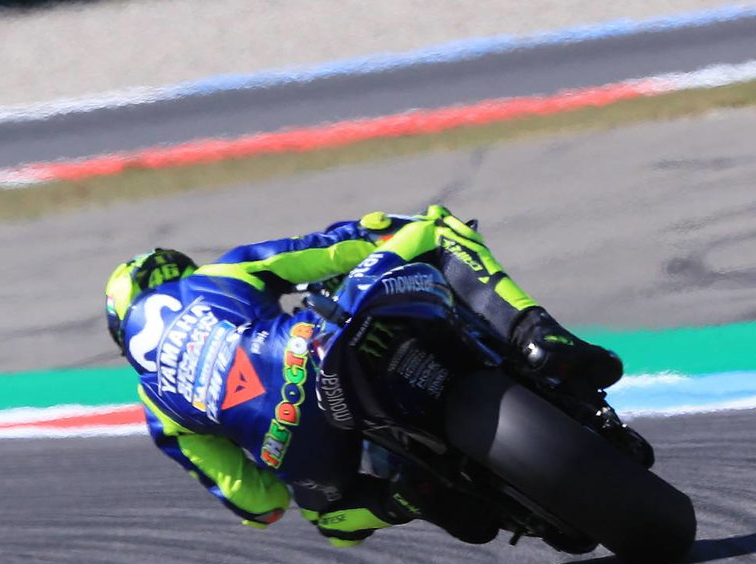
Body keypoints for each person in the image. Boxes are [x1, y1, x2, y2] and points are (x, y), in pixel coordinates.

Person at [103, 205, 624, 546]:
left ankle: (402, 499)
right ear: (172, 273)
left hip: (291, 440)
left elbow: (261, 506)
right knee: (435, 229)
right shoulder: (216, 275)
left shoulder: (155, 406)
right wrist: (379, 233)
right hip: (306, 347)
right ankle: (535, 336)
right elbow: (337, 248)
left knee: (332, 522)